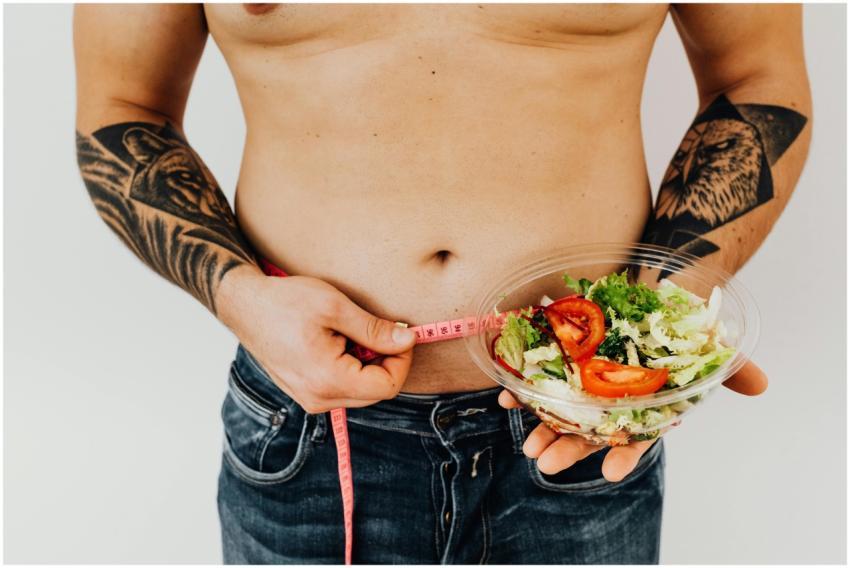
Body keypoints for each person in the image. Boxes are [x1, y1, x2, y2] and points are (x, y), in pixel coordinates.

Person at [74, 3, 809, 564]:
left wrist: (653, 307)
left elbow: (755, 76)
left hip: (578, 421)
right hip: (306, 424)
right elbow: (121, 107)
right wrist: (239, 296)